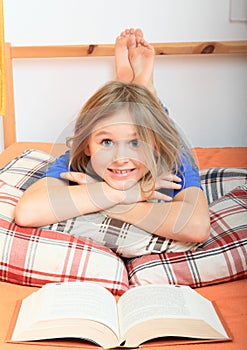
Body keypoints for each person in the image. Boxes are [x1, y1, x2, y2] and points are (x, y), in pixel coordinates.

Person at [15, 28, 210, 243]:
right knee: (137, 117)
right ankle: (138, 89)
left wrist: (114, 204)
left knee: (156, 122)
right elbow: (27, 212)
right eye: (106, 142)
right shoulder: (77, 160)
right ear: (87, 145)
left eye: (135, 142)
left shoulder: (174, 160)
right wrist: (123, 194)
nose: (120, 157)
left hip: (163, 141)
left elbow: (197, 227)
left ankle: (144, 88)